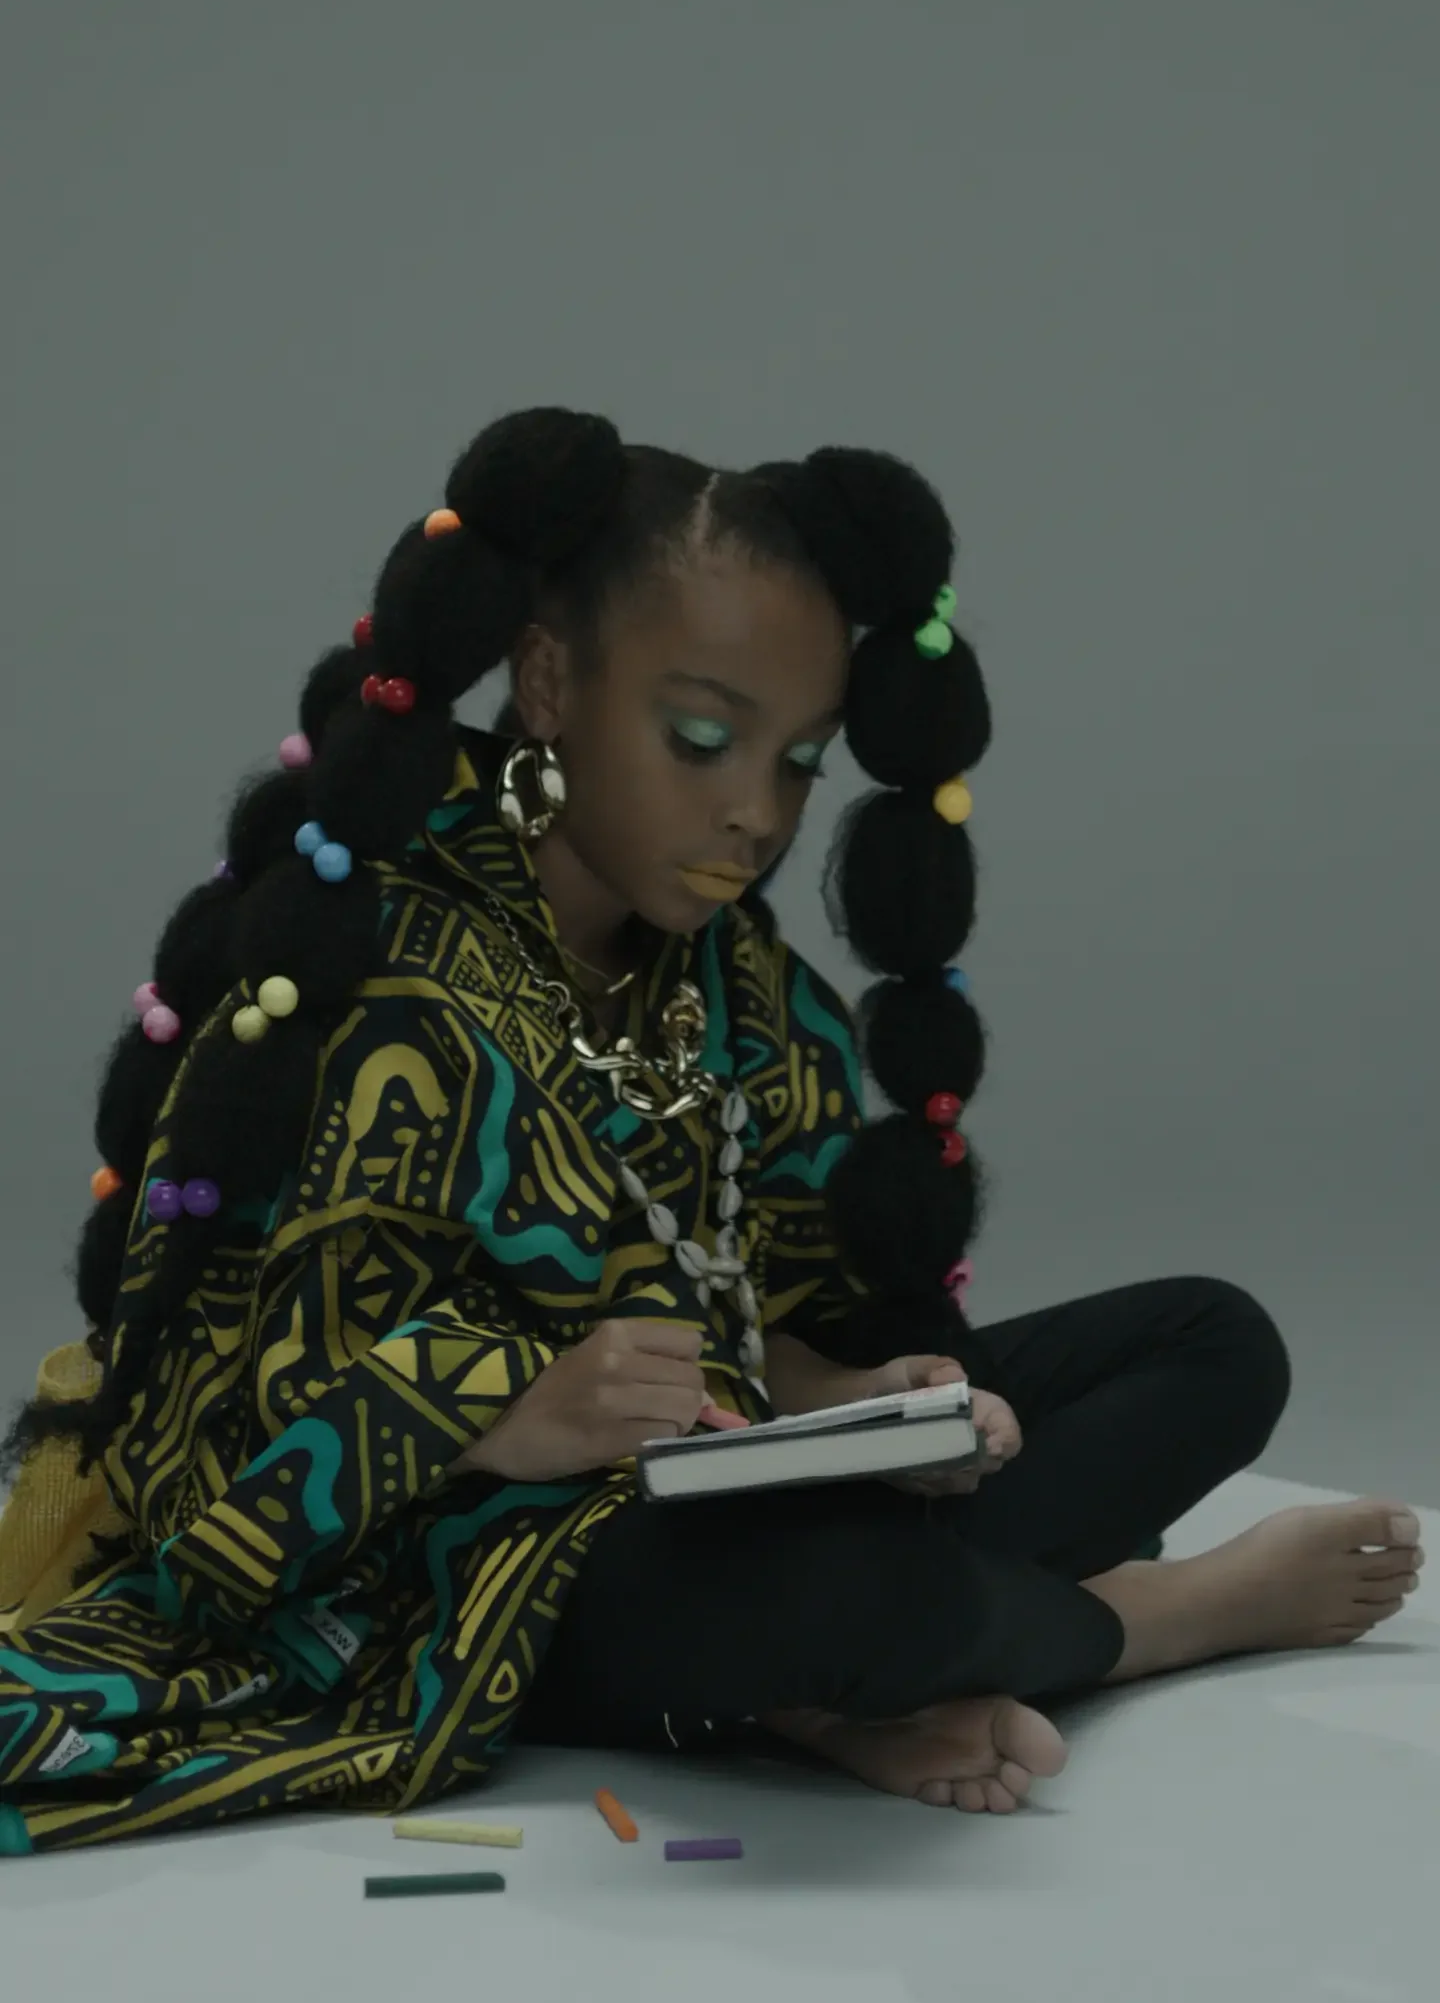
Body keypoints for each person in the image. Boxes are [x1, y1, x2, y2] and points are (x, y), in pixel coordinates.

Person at [0, 411, 1421, 1857]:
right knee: (855, 1598)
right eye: (699, 738)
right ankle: (1147, 1621)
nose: (753, 815)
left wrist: (864, 1393)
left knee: (1213, 1343)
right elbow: (199, 1429)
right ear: (549, 680)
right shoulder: (358, 967)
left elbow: (760, 1314)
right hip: (453, 1562)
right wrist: (505, 1410)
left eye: (798, 761)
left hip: (714, 1485)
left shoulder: (743, 986)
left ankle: (841, 1685)